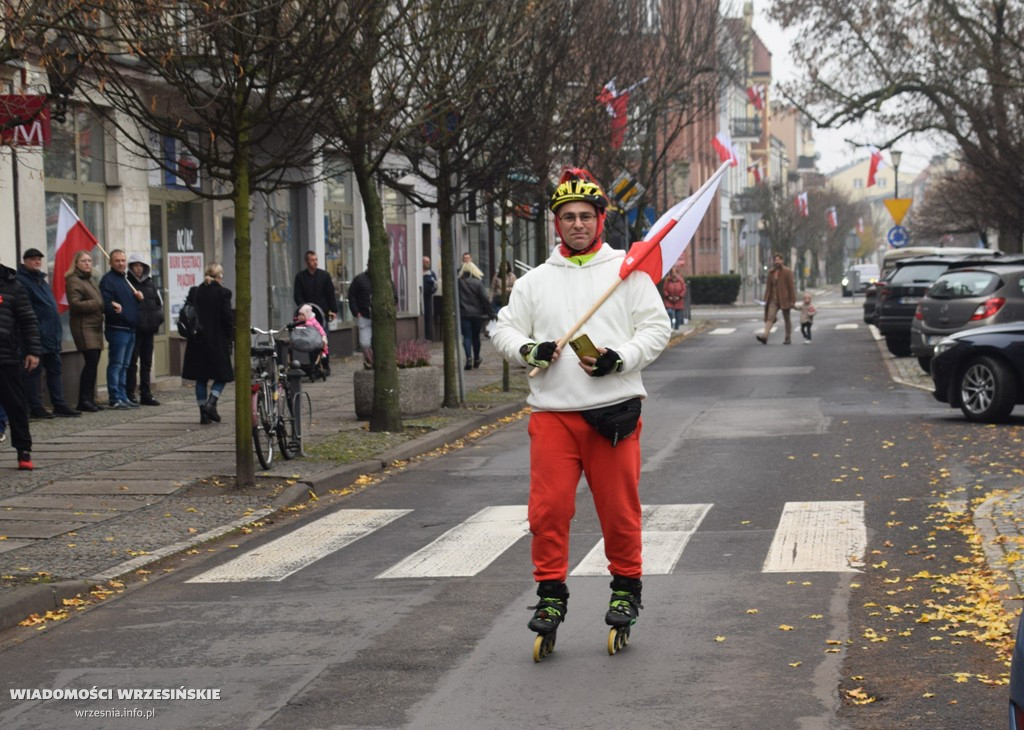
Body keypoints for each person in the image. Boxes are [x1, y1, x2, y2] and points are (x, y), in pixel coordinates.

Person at [491, 168, 670, 647]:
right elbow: (502, 328)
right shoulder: (536, 282)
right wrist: (528, 350)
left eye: (585, 216)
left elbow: (656, 330)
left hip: (613, 413)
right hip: (552, 414)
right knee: (548, 511)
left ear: (601, 220)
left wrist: (619, 359)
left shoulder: (626, 273)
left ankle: (625, 589)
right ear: (556, 224)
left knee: (618, 510)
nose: (576, 224)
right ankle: (551, 594)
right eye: (567, 217)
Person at [17, 248, 79, 418]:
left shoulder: (41, 281)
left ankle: (59, 403)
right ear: (25, 261)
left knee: (55, 370)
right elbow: (27, 310)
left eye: (39, 259)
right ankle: (35, 406)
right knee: (34, 372)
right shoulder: (22, 281)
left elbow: (50, 307)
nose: (37, 262)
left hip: (51, 334)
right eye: (33, 259)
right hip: (36, 335)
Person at [0, 256, 41, 469]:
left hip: (6, 356)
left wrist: (33, 351)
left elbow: (28, 320)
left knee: (15, 405)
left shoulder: (13, 286)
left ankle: (23, 450)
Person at [181, 262, 234, 425]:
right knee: (223, 375)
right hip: (216, 341)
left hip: (197, 341)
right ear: (220, 276)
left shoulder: (195, 291)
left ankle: (203, 412)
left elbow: (187, 312)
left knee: (201, 378)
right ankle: (212, 401)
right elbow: (227, 318)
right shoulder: (223, 293)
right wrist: (232, 335)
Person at [100, 249, 143, 408]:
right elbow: (105, 302)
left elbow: (128, 303)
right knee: (116, 364)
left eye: (123, 260)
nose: (121, 263)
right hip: (117, 328)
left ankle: (123, 395)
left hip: (130, 328)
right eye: (117, 261)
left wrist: (138, 299)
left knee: (125, 365)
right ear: (110, 262)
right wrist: (112, 306)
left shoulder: (126, 280)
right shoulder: (108, 280)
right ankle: (115, 398)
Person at [65, 250, 104, 412]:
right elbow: (75, 304)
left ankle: (89, 398)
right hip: (83, 326)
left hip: (95, 325)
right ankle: (83, 399)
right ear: (76, 264)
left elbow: (99, 300)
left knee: (94, 362)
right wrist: (97, 303)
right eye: (84, 261)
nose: (88, 263)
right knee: (91, 361)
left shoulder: (90, 279)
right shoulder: (74, 280)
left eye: (89, 260)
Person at [126, 253, 164, 406]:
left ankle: (146, 393)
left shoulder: (150, 283)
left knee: (147, 363)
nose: (138, 268)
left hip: (149, 329)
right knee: (132, 363)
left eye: (141, 266)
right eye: (135, 265)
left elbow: (158, 303)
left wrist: (158, 320)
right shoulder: (127, 283)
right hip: (135, 329)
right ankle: (130, 393)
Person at [293, 250, 338, 373]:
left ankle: (325, 364)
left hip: (322, 313)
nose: (315, 262)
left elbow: (330, 294)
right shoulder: (300, 277)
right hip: (307, 315)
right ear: (306, 262)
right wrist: (303, 309)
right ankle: (314, 365)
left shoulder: (324, 276)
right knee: (310, 340)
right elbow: (298, 295)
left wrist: (333, 310)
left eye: (316, 259)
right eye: (312, 260)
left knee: (323, 338)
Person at [457, 261, 493, 370]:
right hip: (477, 315)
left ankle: (468, 358)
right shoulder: (478, 283)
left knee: (467, 337)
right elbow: (484, 299)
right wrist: (490, 313)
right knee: (476, 337)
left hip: (464, 314)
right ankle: (476, 358)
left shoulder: (459, 282)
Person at [756, 253, 796, 345]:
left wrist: (792, 300)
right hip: (773, 299)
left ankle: (788, 337)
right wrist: (766, 299)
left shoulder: (787, 271)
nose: (777, 261)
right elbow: (768, 287)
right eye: (775, 260)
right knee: (770, 318)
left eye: (779, 259)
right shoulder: (771, 273)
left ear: (782, 261)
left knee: (787, 319)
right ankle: (765, 337)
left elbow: (791, 286)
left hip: (785, 298)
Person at [347, 268, 372, 355]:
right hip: (364, 316)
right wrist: (356, 312)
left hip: (380, 318)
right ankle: (368, 362)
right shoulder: (359, 279)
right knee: (365, 344)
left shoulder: (382, 278)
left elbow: (393, 293)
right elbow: (351, 295)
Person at [662, 266, 686, 331]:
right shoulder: (667, 280)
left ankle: (676, 328)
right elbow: (665, 289)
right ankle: (670, 327)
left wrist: (679, 296)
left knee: (677, 315)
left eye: (675, 272)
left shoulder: (680, 280)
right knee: (669, 312)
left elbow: (683, 289)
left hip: (678, 300)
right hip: (669, 300)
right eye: (673, 272)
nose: (674, 274)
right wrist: (668, 296)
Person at [422, 256, 437, 340]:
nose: (428, 263)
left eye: (428, 262)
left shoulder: (431, 274)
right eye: (426, 262)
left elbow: (436, 285)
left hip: (427, 298)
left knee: (427, 316)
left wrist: (431, 292)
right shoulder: (419, 272)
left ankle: (427, 336)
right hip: (420, 297)